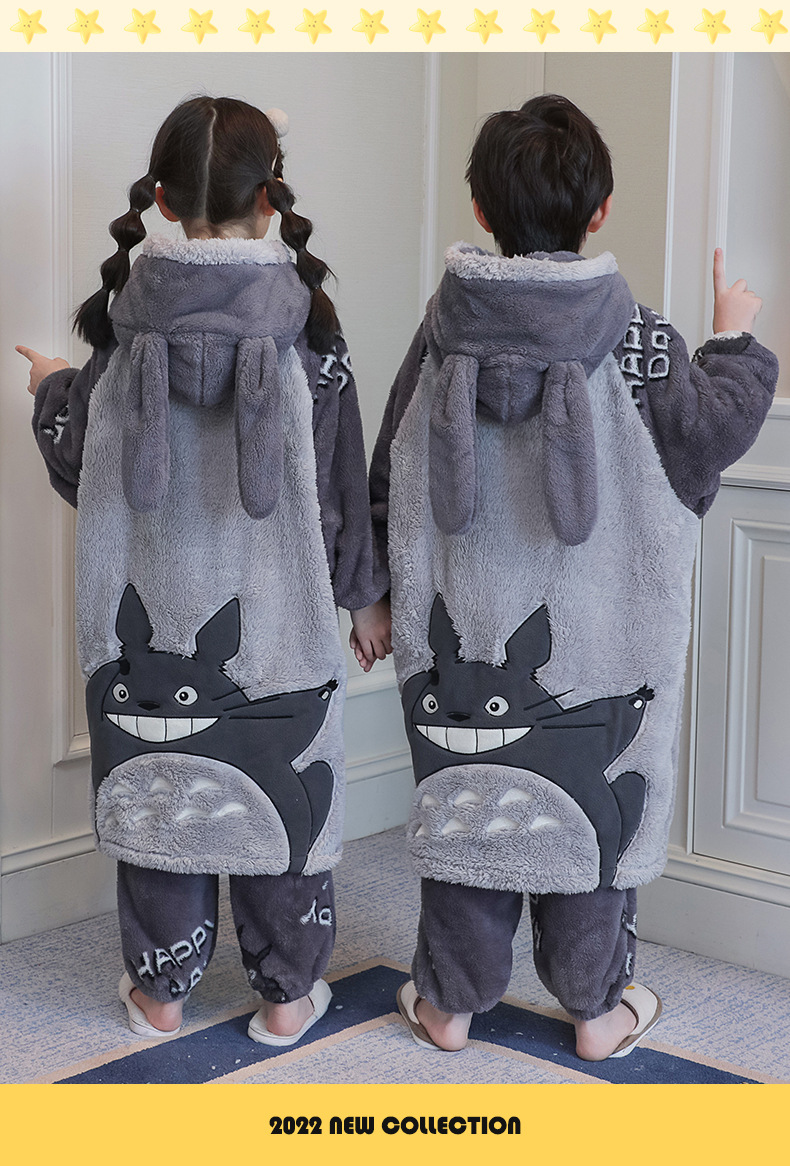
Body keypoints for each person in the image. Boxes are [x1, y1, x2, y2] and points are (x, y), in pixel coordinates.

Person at [369, 95, 778, 1061]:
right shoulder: (636, 337)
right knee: (593, 818)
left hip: (462, 642)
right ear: (600, 211)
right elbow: (708, 435)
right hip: (601, 644)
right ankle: (597, 1013)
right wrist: (733, 339)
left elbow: (392, 469)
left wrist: (377, 594)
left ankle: (449, 1007)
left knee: (469, 810)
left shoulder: (440, 337)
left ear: (480, 209)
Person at [19, 96, 390, 1045]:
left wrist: (52, 386)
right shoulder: (308, 332)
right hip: (278, 621)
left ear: (162, 201)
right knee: (284, 798)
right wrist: (364, 600)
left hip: (145, 629)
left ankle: (161, 996)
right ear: (269, 196)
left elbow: (80, 467)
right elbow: (341, 484)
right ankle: (287, 997)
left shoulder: (124, 331)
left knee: (162, 797)